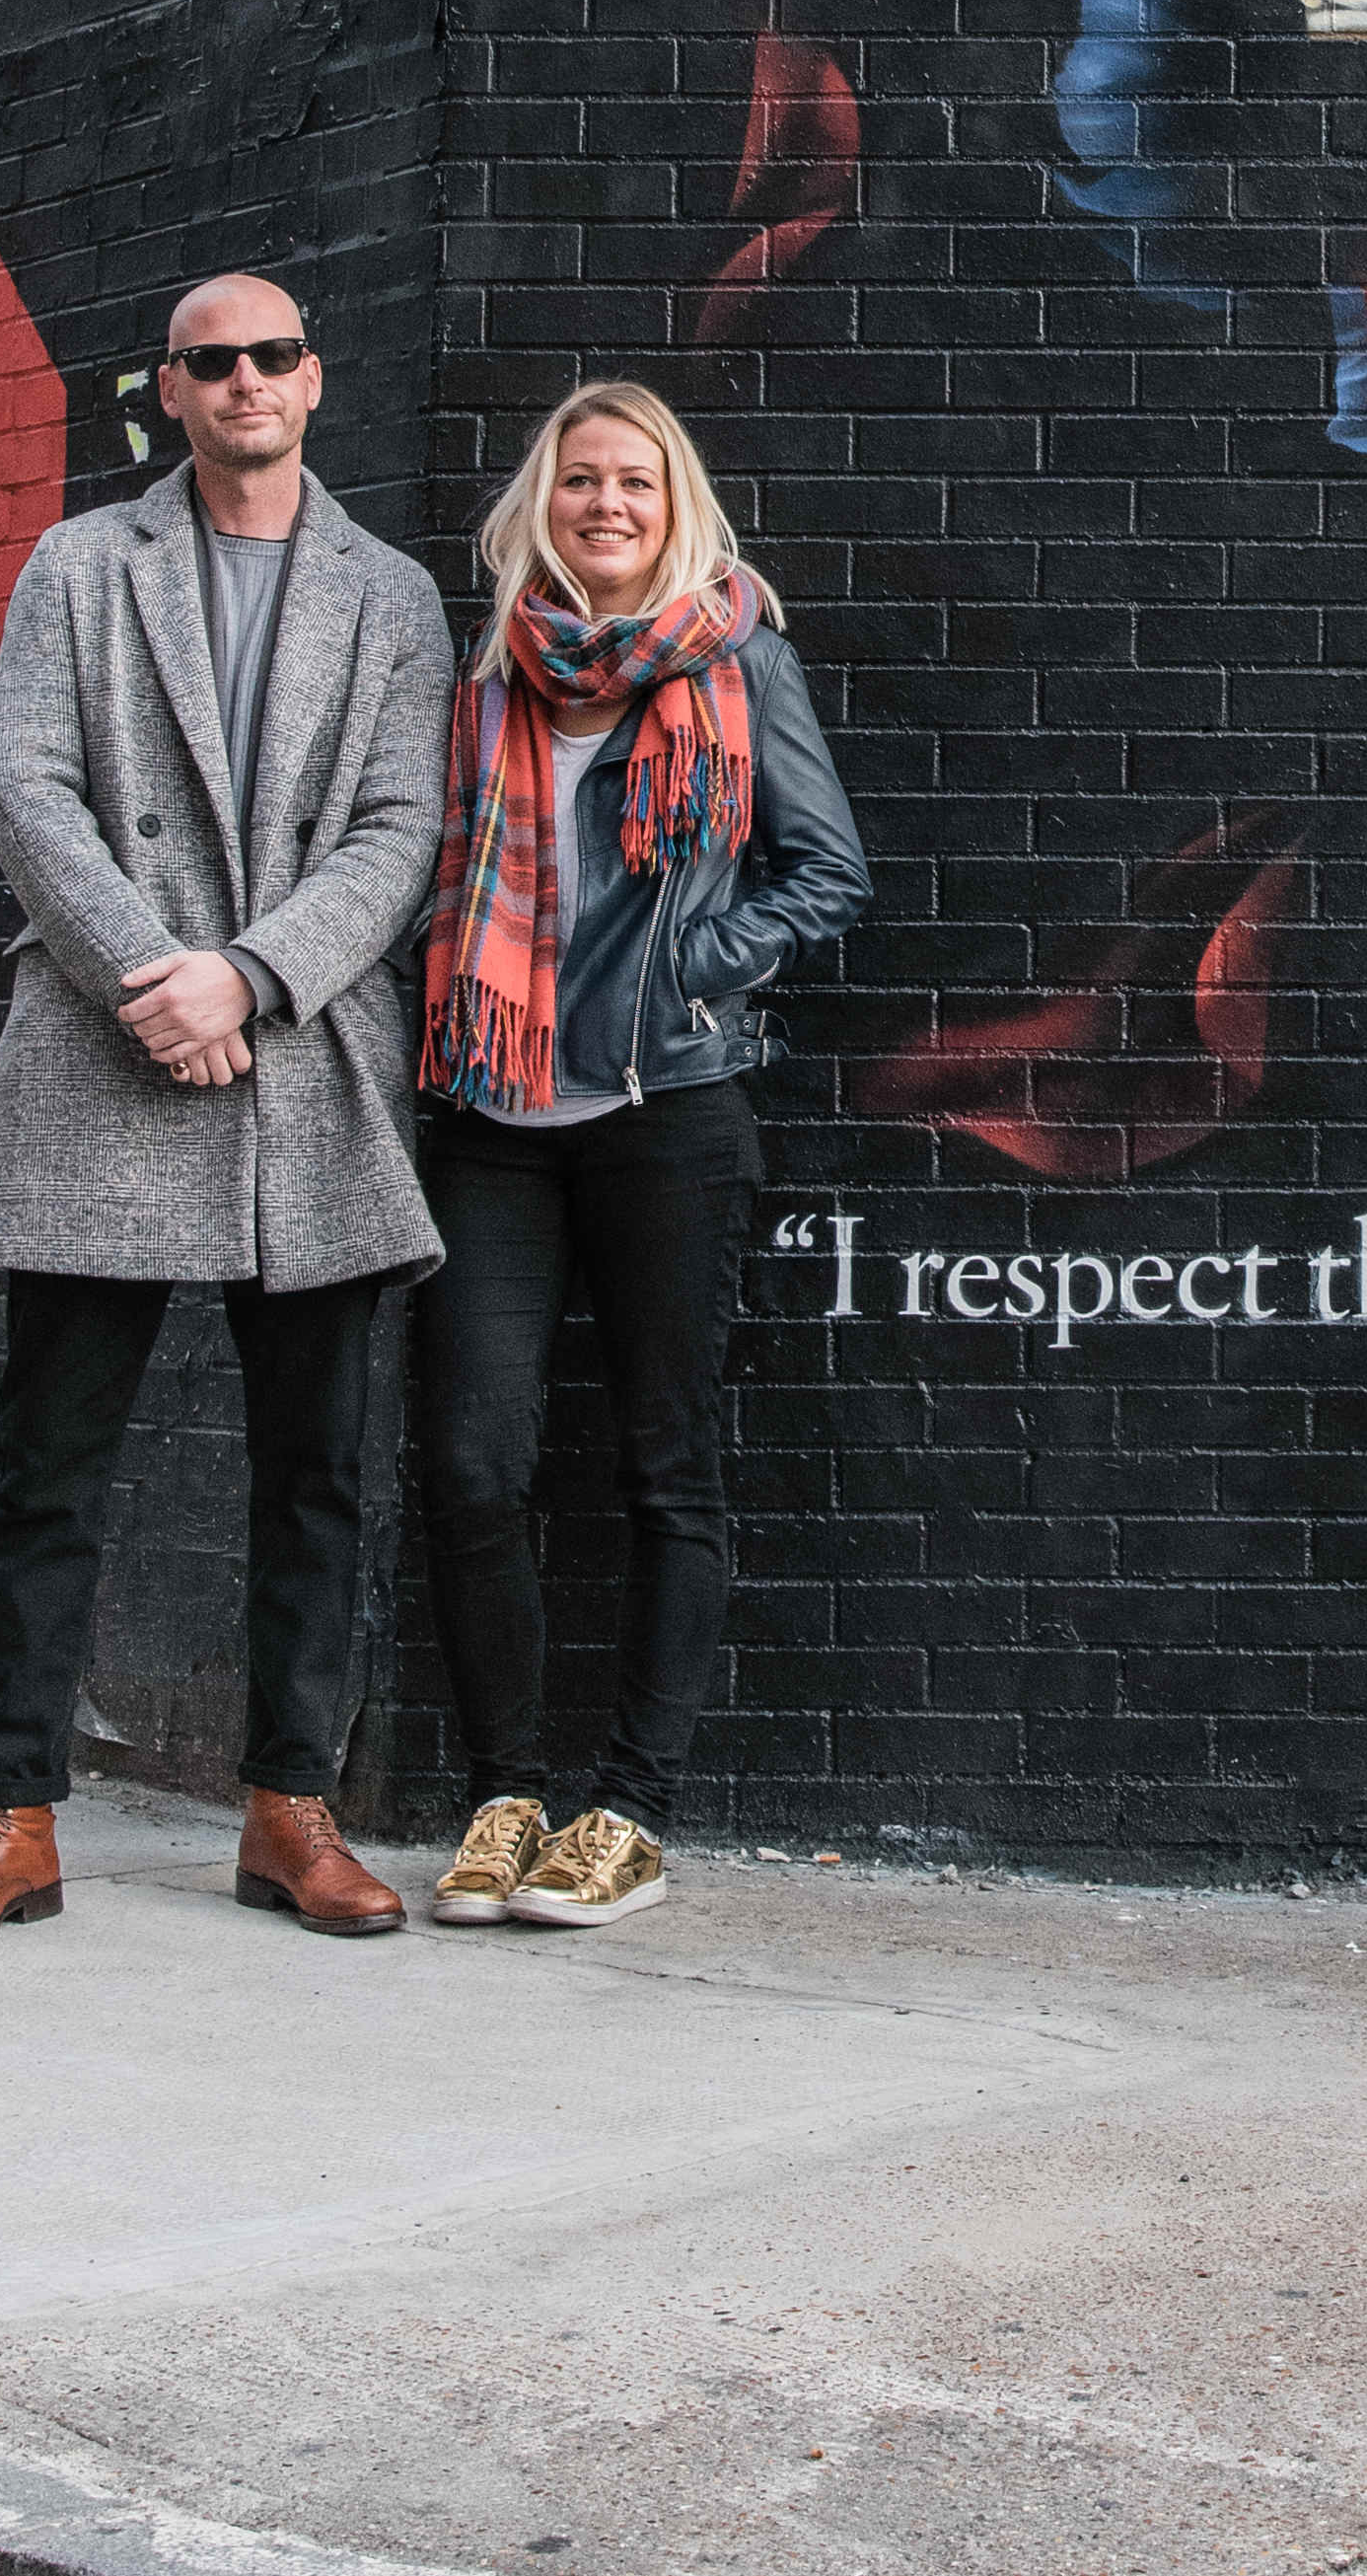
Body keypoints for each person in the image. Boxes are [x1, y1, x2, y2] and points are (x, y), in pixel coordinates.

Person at [0, 274, 454, 1956]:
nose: (245, 379)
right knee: (49, 1474)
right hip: (105, 1047)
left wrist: (254, 978)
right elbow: (28, 788)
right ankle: (12, 1818)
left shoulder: (393, 594)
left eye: (272, 353)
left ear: (314, 378)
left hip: (302, 1068)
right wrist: (160, 975)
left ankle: (293, 1808)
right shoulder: (80, 561)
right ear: (172, 390)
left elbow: (400, 825)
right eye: (212, 360)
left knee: (317, 1477)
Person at [413, 382, 868, 1931]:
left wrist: (689, 968)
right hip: (493, 1120)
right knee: (474, 1460)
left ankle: (630, 1812)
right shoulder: (486, 688)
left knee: (669, 1470)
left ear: (676, 508)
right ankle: (505, 1797)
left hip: (668, 1108)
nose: (607, 504)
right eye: (582, 480)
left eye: (637, 483)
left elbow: (827, 872)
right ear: (543, 503)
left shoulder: (741, 663)